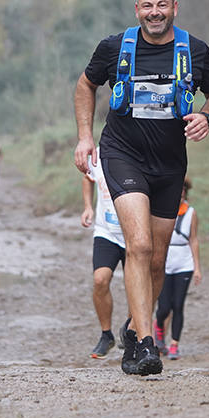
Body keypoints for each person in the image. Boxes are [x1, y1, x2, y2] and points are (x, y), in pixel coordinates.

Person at [73, 0, 209, 376]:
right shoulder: (113, 48)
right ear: (136, 10)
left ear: (175, 7)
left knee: (157, 260)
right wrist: (85, 137)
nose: (154, 12)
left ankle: (131, 328)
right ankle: (146, 344)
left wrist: (206, 115)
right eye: (147, 6)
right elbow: (85, 84)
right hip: (122, 156)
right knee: (139, 246)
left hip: (170, 165)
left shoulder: (195, 51)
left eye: (162, 5)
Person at [81, 146, 128, 358]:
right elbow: (88, 177)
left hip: (133, 233)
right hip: (106, 231)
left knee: (135, 284)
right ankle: (106, 334)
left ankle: (131, 330)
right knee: (100, 280)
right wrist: (88, 207)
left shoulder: (138, 150)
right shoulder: (98, 155)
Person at [153, 177, 201, 360]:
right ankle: (158, 330)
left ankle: (174, 344)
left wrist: (197, 267)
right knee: (164, 306)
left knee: (178, 305)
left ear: (185, 192)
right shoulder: (161, 209)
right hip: (165, 260)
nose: (179, 194)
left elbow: (193, 239)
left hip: (184, 262)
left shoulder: (191, 213)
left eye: (182, 191)